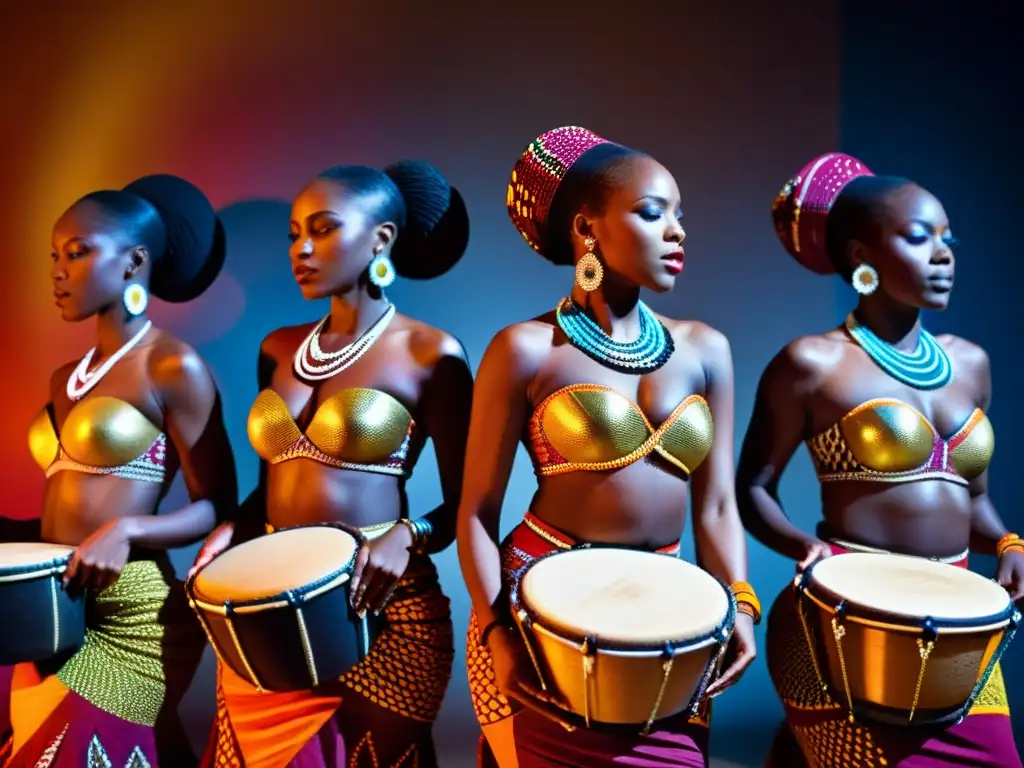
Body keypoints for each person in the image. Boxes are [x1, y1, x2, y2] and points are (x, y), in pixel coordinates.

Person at [457, 125, 760, 768]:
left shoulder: (707, 349)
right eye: (654, 214)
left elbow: (718, 509)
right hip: (540, 615)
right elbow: (477, 513)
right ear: (586, 229)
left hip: (671, 618)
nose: (678, 232)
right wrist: (496, 631)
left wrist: (739, 601)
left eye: (680, 216)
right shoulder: (525, 350)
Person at [737, 152, 1024, 767]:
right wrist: (801, 547)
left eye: (949, 239)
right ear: (863, 258)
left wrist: (1007, 544)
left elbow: (971, 497)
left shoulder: (970, 365)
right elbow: (754, 486)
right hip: (841, 624)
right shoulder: (812, 364)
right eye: (920, 238)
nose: (944, 254)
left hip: (955, 633)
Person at [191, 160, 472, 767]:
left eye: (321, 229)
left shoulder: (431, 353)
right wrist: (231, 529)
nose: (303, 248)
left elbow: (469, 502)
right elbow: (269, 488)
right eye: (294, 233)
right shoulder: (278, 348)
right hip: (268, 604)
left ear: (381, 240)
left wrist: (409, 533)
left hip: (378, 604)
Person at [1, 174, 236, 766]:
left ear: (135, 262)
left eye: (77, 254)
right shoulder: (67, 377)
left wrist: (127, 531)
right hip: (52, 605)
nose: (57, 270)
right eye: (54, 256)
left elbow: (218, 506)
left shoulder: (172, 366)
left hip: (129, 610)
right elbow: (71, 498)